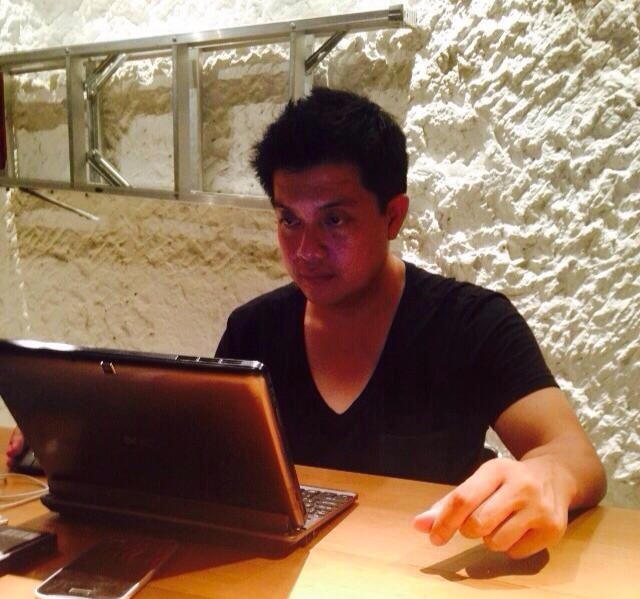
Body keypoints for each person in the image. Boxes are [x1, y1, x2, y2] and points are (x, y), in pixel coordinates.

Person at [6, 87, 606, 559]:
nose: (306, 250)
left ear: (393, 215)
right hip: (282, 592)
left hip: (426, 582)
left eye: (334, 221)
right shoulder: (253, 331)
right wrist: (81, 445)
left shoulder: (471, 323)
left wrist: (548, 478)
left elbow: (575, 456)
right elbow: (205, 462)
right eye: (288, 220)